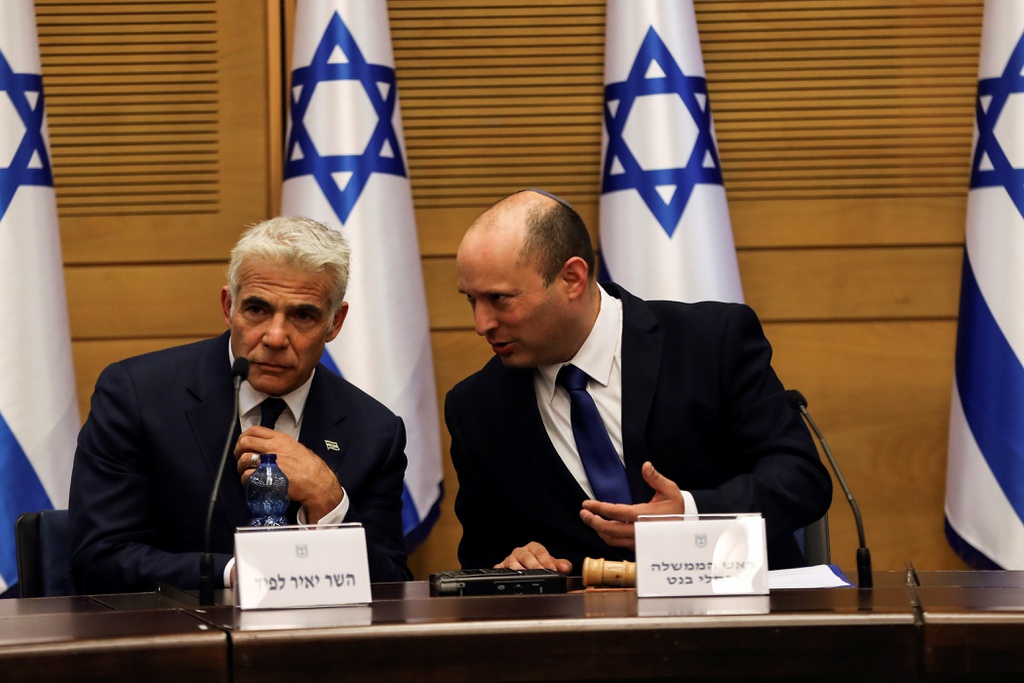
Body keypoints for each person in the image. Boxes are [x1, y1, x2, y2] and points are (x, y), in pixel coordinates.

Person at [445, 189, 833, 574]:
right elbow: (480, 562)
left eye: (499, 299)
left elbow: (800, 479)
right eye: (471, 300)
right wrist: (512, 564)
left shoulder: (710, 342)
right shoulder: (477, 408)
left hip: (734, 601)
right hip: (581, 612)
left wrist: (691, 514)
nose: (482, 324)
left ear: (572, 279)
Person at [69, 216, 412, 593]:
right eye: (257, 309)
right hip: (178, 626)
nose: (275, 337)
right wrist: (241, 573)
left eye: (303, 315)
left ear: (335, 322)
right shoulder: (138, 395)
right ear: (228, 306)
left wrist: (330, 502)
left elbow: (392, 587)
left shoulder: (374, 431)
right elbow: (99, 559)